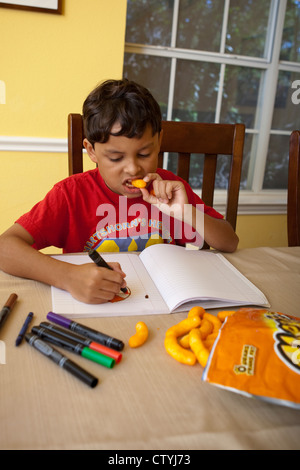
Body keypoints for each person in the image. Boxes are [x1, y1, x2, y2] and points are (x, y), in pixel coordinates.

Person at [0, 79, 238, 304]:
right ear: (91, 151)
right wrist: (67, 276)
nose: (134, 168)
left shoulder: (170, 189)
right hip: (101, 306)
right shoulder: (71, 194)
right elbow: (5, 247)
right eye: (115, 157)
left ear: (159, 141)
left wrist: (186, 212)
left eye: (144, 154)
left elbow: (230, 242)